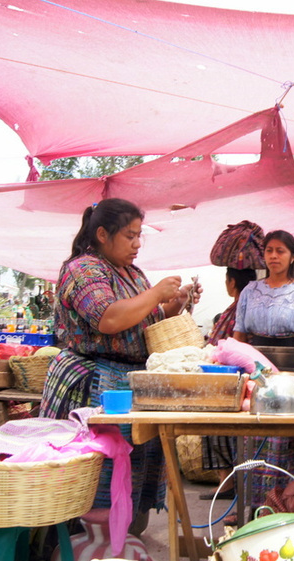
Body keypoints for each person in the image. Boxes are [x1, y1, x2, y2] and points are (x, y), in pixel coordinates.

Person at [40, 198, 198, 535]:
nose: (137, 244)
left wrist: (175, 303)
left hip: (130, 384)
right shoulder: (83, 269)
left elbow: (145, 320)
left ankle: (120, 539)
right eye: (130, 236)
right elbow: (108, 318)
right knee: (90, 473)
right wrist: (156, 294)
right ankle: (73, 544)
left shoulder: (132, 274)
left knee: (132, 467)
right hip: (91, 386)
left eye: (139, 236)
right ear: (101, 234)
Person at [234, 230, 294, 508]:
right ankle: (248, 506)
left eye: (280, 251)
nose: (273, 256)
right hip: (254, 371)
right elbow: (239, 337)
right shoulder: (250, 291)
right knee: (251, 438)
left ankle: (284, 505)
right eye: (269, 250)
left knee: (284, 442)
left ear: (293, 256)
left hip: (289, 374)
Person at [199, 267, 257, 501]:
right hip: (238, 375)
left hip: (232, 378)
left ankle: (228, 482)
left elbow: (230, 342)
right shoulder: (242, 307)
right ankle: (230, 481)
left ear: (231, 282)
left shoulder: (238, 309)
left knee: (219, 427)